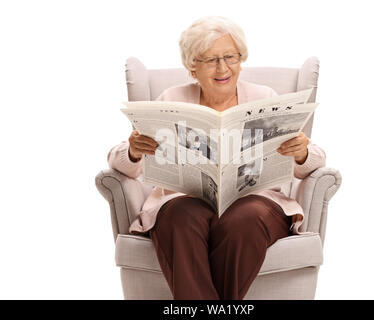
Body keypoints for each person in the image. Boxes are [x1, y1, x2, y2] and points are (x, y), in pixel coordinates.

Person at [107, 16, 326, 300]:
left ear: (240, 59)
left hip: (256, 204)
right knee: (180, 217)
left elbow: (315, 160)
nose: (223, 68)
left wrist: (302, 152)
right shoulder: (170, 99)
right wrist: (134, 150)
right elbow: (121, 163)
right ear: (192, 68)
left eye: (230, 57)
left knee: (243, 219)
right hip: (185, 202)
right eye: (210, 60)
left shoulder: (265, 97)